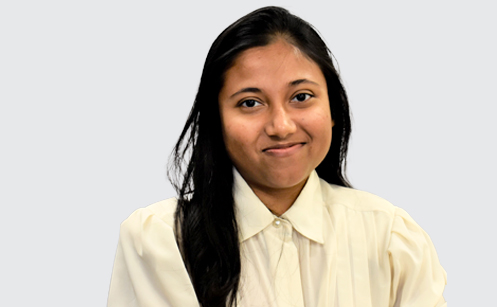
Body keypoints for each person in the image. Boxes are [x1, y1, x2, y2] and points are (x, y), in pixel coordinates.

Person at [107, 6, 447, 307]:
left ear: (333, 110)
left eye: (301, 96)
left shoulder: (391, 238)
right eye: (250, 103)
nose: (281, 126)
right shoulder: (161, 239)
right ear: (217, 122)